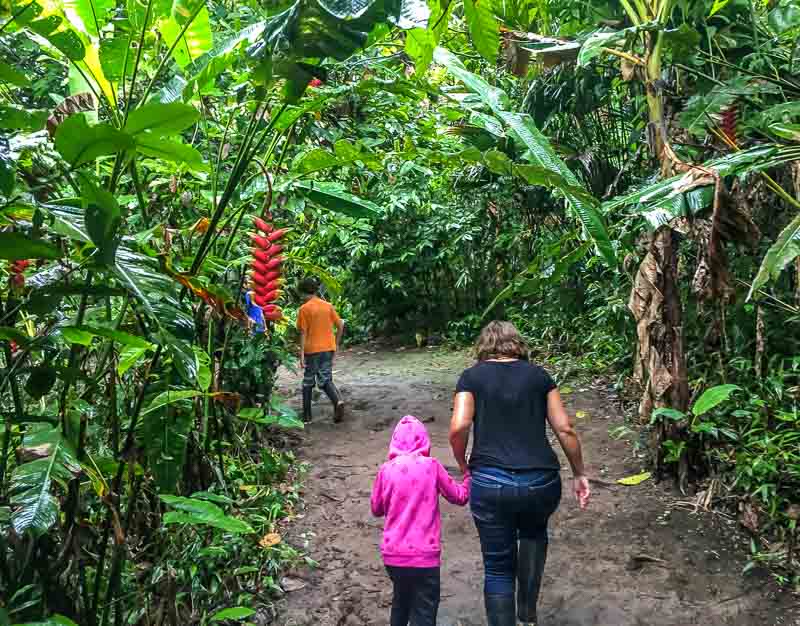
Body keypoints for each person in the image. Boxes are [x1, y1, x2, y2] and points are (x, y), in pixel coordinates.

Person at [449, 321, 590, 626]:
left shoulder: (471, 377)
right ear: (516, 343)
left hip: (489, 482)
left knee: (498, 567)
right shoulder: (539, 376)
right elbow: (565, 428)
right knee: (533, 535)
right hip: (540, 482)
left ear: (484, 345)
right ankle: (527, 616)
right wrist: (579, 473)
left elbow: (459, 426)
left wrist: (463, 464)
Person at [371, 415, 471, 626]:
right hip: (425, 557)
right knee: (424, 611)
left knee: (401, 601)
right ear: (424, 440)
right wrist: (468, 476)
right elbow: (460, 497)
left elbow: (376, 509)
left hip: (393, 556)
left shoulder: (385, 470)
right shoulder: (432, 466)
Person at [296, 277, 345, 422]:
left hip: (312, 350)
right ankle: (337, 401)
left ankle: (306, 417)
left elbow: (303, 332)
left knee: (308, 381)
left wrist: (302, 355)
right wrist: (336, 344)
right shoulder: (327, 306)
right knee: (325, 378)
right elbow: (341, 325)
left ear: (303, 292)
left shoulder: (304, 309)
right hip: (328, 347)